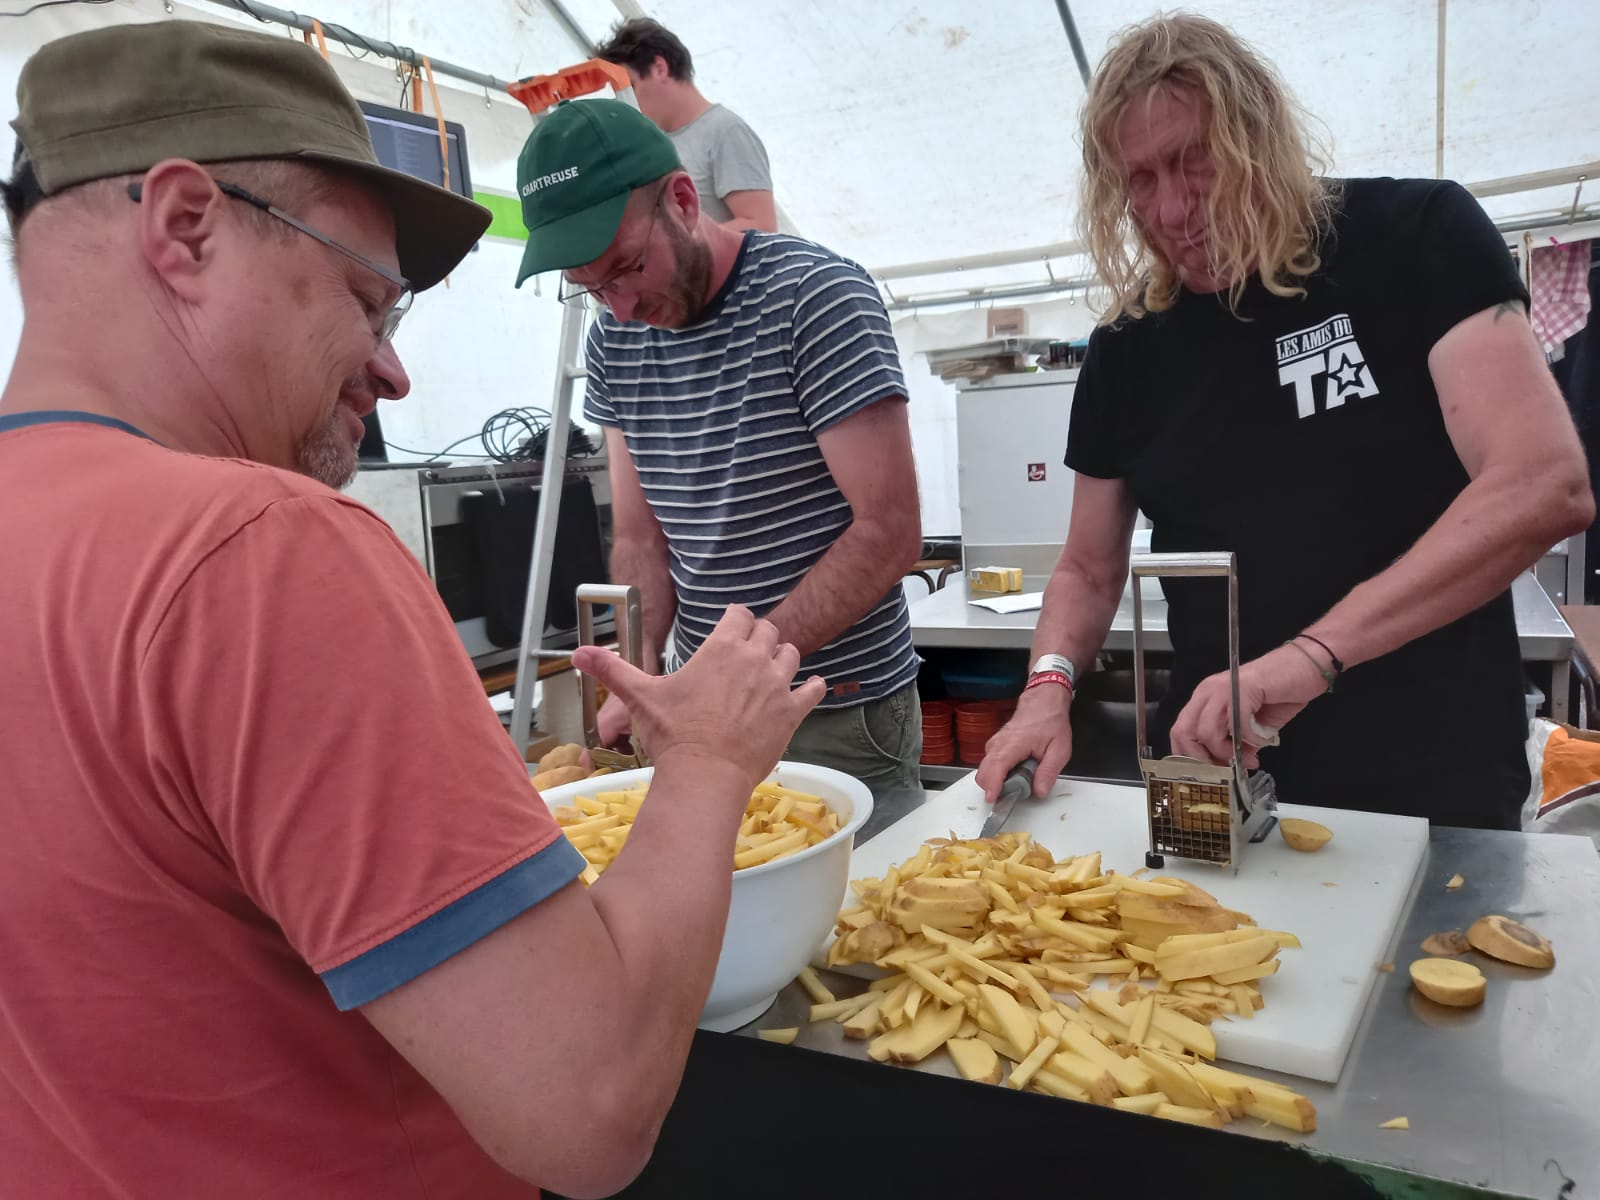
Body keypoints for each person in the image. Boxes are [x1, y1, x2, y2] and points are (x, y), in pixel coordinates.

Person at [0, 22, 822, 1197]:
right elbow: (587, 1104)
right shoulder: (263, 552)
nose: (391, 376)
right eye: (364, 301)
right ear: (184, 228)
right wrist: (705, 757)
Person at [977, 14, 1593, 830]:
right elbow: (1089, 570)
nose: (1170, 210)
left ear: (1259, 131)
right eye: (1139, 180)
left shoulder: (1414, 239)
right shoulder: (1126, 348)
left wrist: (1311, 657)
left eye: (1195, 164)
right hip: (1209, 779)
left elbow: (1543, 483)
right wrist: (1046, 691)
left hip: (1427, 778)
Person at [514, 98, 924, 793]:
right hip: (698, 712)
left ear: (680, 199)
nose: (619, 306)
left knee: (856, 905)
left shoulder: (815, 297)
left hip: (833, 712)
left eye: (626, 267)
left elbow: (888, 533)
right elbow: (642, 538)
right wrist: (640, 667)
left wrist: (731, 674)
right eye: (589, 288)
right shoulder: (615, 339)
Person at [594, 17, 778, 233]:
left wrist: (674, 246)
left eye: (631, 86)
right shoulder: (652, 143)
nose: (626, 100)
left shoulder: (725, 130)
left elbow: (761, 225)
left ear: (659, 68)